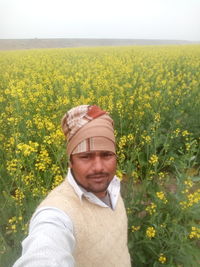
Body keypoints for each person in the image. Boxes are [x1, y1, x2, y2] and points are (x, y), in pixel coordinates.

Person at [13, 105, 131, 267]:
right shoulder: (57, 212)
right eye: (86, 156)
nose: (98, 167)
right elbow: (45, 249)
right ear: (70, 161)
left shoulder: (113, 187)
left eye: (106, 155)